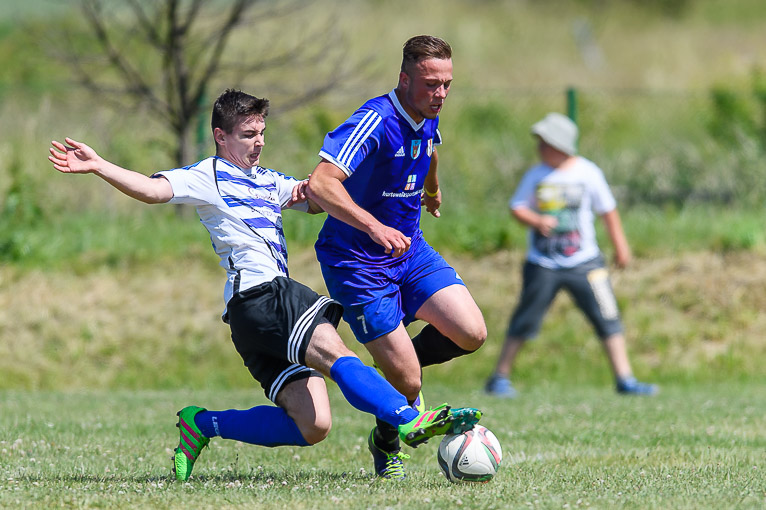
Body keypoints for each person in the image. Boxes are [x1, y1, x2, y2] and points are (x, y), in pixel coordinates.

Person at [48, 89, 481, 482]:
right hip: (264, 294)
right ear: (220, 135)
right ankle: (409, 420)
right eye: (247, 134)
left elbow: (317, 195)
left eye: (262, 133)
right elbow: (151, 190)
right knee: (339, 355)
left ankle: (202, 424)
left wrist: (368, 176)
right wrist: (99, 165)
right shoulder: (208, 174)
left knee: (313, 426)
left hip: (250, 319)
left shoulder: (268, 181)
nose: (258, 142)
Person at [305, 35, 487, 479]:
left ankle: (399, 361)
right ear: (404, 79)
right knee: (408, 384)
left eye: (447, 84)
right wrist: (373, 225)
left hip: (409, 252)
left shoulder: (426, 114)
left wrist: (432, 188)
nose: (440, 94)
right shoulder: (374, 120)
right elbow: (321, 184)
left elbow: (430, 146)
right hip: (357, 264)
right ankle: (385, 439)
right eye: (430, 84)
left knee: (472, 332)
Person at [484, 112, 657, 398]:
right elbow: (517, 207)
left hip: (586, 262)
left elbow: (608, 211)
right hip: (542, 264)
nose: (539, 149)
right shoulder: (536, 175)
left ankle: (625, 379)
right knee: (525, 318)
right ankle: (499, 376)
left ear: (560, 145)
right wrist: (537, 222)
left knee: (607, 315)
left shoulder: (588, 172)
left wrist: (621, 246)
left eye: (544, 143)